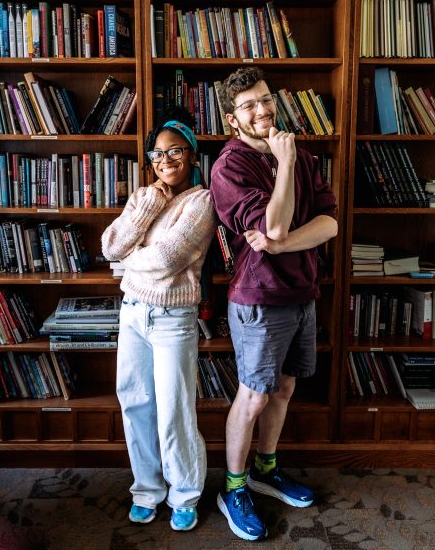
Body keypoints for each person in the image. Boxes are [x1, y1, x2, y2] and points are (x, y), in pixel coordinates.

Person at [210, 67, 338, 541]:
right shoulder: (229, 166)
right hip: (258, 298)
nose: (262, 111)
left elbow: (329, 225)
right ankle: (234, 487)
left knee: (283, 390)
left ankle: (266, 468)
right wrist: (284, 168)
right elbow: (276, 223)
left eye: (266, 100)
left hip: (302, 291)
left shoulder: (301, 157)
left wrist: (281, 246)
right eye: (249, 106)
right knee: (255, 394)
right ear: (232, 119)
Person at [101, 108, 215, 532]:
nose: (165, 160)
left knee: (173, 412)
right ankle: (147, 490)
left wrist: (129, 261)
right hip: (131, 314)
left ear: (193, 155)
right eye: (157, 154)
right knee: (135, 405)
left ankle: (185, 493)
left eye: (175, 151)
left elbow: (170, 259)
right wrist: (147, 206)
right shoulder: (143, 197)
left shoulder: (202, 201)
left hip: (173, 319)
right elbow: (111, 244)